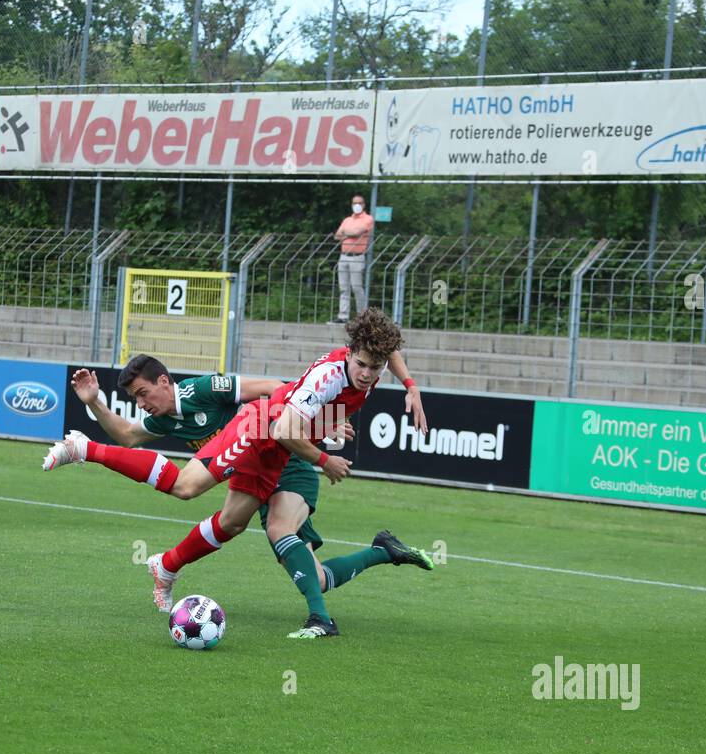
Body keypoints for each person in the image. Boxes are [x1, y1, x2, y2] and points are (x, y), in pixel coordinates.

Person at [43, 310, 431, 638]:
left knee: (268, 545)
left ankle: (381, 553)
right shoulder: (327, 377)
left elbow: (291, 389)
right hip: (267, 432)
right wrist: (323, 455)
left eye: (373, 368)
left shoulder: (202, 390)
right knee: (188, 487)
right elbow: (129, 435)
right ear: (350, 355)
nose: (366, 374)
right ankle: (84, 448)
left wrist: (409, 387)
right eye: (361, 365)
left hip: (279, 441)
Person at [334, 193, 374, 323]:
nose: (357, 205)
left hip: (357, 257)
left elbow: (357, 233)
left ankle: (362, 316)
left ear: (364, 204)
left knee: (357, 287)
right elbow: (337, 236)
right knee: (344, 288)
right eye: (354, 203)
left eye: (359, 203)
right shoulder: (347, 220)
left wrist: (346, 233)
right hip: (343, 256)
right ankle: (343, 315)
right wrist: (349, 234)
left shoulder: (368, 219)